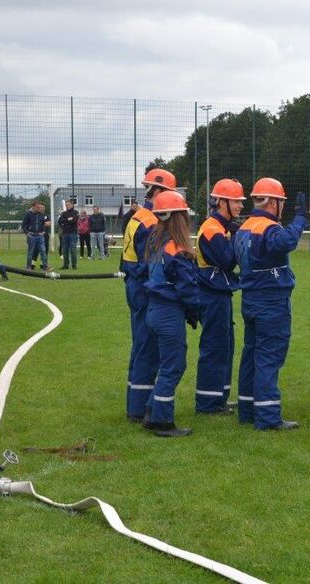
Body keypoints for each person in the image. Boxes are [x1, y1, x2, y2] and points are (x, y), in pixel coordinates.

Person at [233, 177, 308, 430]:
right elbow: (286, 241)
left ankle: (247, 410)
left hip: (251, 299)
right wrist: (301, 218)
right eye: (282, 203)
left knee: (251, 355)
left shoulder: (244, 227)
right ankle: (267, 417)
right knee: (268, 358)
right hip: (271, 301)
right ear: (274, 202)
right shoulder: (268, 227)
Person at [122, 168, 177, 422]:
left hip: (135, 284)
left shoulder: (139, 216)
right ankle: (139, 407)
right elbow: (153, 263)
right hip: (144, 287)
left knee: (141, 345)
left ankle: (135, 402)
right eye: (167, 194)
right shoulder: (152, 221)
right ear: (157, 191)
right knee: (147, 347)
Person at [143, 190, 198, 437]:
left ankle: (150, 413)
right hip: (168, 313)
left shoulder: (156, 244)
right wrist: (194, 313)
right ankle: (163, 422)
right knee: (173, 367)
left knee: (166, 365)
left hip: (154, 310)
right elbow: (187, 289)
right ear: (179, 218)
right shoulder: (178, 249)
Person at [195, 178, 245, 415]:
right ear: (222, 202)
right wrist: (237, 241)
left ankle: (220, 397)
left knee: (225, 345)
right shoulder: (212, 229)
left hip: (219, 294)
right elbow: (227, 259)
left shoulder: (223, 228)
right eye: (236, 201)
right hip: (211, 295)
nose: (240, 206)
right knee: (215, 347)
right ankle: (207, 403)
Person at [21, 201, 50, 271]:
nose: (40, 208)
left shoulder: (41, 214)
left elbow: (44, 223)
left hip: (40, 236)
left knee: (43, 251)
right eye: (38, 207)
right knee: (31, 252)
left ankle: (45, 267)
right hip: (31, 236)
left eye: (40, 207)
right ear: (33, 207)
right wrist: (27, 233)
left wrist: (43, 231)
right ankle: (28, 267)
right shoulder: (28, 214)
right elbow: (23, 225)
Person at [58, 200, 79, 269]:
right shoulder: (64, 213)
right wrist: (68, 220)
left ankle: (74, 265)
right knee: (65, 250)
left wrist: (65, 220)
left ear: (72, 205)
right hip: (65, 234)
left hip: (73, 234)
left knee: (73, 250)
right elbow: (60, 221)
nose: (67, 206)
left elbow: (74, 220)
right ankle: (66, 265)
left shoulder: (76, 212)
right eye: (66, 205)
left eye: (69, 204)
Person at [30, 203, 52, 270]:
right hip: (37, 235)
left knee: (45, 250)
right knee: (35, 250)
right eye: (41, 207)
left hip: (45, 235)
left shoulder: (46, 215)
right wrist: (44, 223)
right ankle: (32, 265)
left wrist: (47, 223)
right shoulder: (36, 215)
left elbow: (49, 223)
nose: (42, 208)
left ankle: (43, 265)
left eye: (43, 207)